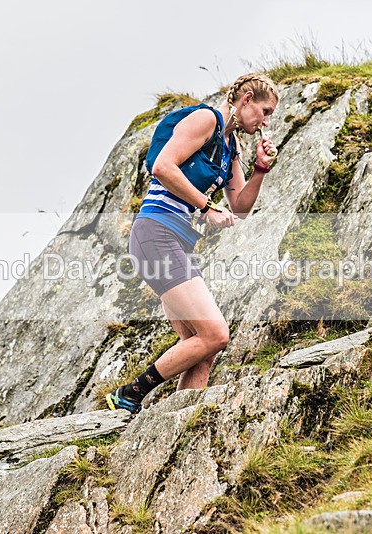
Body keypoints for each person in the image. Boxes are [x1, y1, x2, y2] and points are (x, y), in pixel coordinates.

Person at [106, 73, 280, 414]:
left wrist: (260, 169)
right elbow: (162, 166)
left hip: (175, 239)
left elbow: (240, 209)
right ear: (246, 100)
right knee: (216, 333)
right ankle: (129, 393)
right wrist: (206, 205)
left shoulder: (231, 148)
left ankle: (173, 421)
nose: (266, 120)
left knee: (201, 345)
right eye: (265, 110)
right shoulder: (206, 119)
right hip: (155, 231)